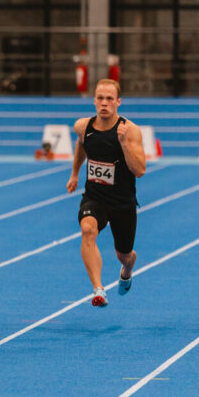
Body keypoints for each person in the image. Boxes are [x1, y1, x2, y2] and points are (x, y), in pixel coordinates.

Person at [66, 78, 146, 307]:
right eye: (100, 98)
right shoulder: (83, 126)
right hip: (95, 196)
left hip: (122, 201)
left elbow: (139, 170)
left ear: (118, 102)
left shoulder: (130, 130)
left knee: (124, 254)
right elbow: (81, 144)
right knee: (87, 229)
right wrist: (74, 173)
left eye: (109, 99)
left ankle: (128, 269)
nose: (104, 103)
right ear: (94, 100)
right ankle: (98, 289)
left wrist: (123, 143)